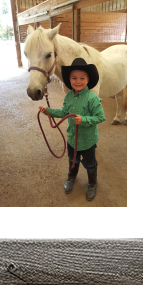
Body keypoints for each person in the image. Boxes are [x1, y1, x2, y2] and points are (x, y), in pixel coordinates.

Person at [39, 57, 105, 200]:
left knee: (89, 163)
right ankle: (71, 177)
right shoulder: (68, 96)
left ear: (88, 80)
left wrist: (84, 120)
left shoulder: (92, 99)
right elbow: (64, 113)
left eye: (82, 78)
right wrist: (48, 111)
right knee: (72, 160)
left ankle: (92, 183)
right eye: (74, 78)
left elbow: (100, 117)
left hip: (87, 141)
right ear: (69, 80)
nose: (78, 81)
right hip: (72, 139)